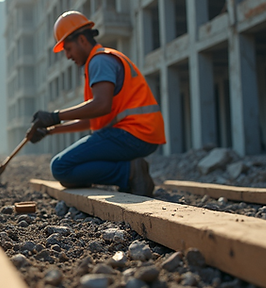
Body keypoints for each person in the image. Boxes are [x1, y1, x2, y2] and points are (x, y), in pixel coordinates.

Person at [26, 11, 165, 196]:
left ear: (82, 40)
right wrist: (50, 130)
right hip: (140, 134)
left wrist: (54, 116)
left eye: (68, 48)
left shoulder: (99, 61)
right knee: (67, 171)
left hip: (132, 134)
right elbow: (91, 120)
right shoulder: (101, 61)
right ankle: (131, 172)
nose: (67, 56)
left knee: (61, 167)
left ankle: (130, 172)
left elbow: (101, 105)